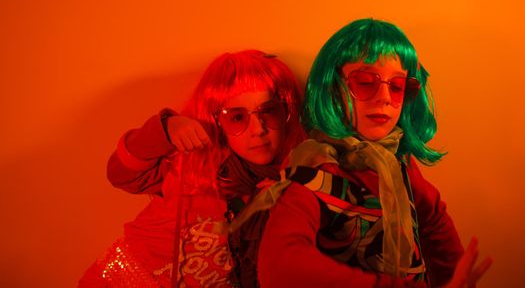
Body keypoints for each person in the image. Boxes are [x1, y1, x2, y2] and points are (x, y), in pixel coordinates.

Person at [257, 19, 491, 287]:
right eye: (366, 82)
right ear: (333, 87)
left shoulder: (395, 161)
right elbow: (280, 268)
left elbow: (433, 219)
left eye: (397, 86)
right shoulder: (315, 167)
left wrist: (452, 275)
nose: (384, 97)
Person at [78, 50, 305, 287]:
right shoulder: (194, 163)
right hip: (126, 279)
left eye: (269, 111)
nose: (258, 129)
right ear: (216, 121)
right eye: (237, 117)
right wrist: (164, 130)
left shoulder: (296, 180)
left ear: (287, 111)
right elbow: (120, 174)